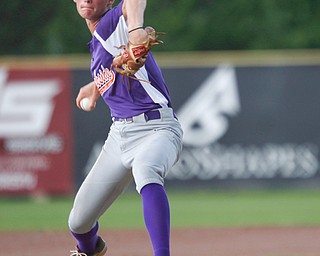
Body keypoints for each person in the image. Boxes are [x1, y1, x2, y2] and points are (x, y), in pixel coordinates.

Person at [68, 1, 183, 256]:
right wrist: (96, 86)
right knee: (78, 221)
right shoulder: (99, 41)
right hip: (119, 136)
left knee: (146, 170)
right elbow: (117, 65)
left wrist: (135, 31)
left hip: (157, 128)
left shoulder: (113, 23)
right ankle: (90, 250)